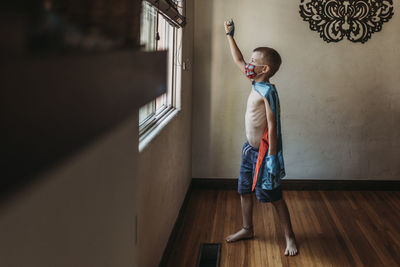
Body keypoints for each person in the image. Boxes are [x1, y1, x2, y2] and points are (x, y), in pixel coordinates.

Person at [223, 19, 298, 256]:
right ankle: (247, 228)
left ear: (265, 69)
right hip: (249, 150)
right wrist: (230, 36)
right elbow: (238, 60)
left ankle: (290, 237)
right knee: (245, 190)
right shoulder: (254, 82)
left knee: (273, 196)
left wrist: (273, 158)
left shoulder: (268, 92)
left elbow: (273, 127)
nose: (249, 65)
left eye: (254, 62)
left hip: (265, 155)